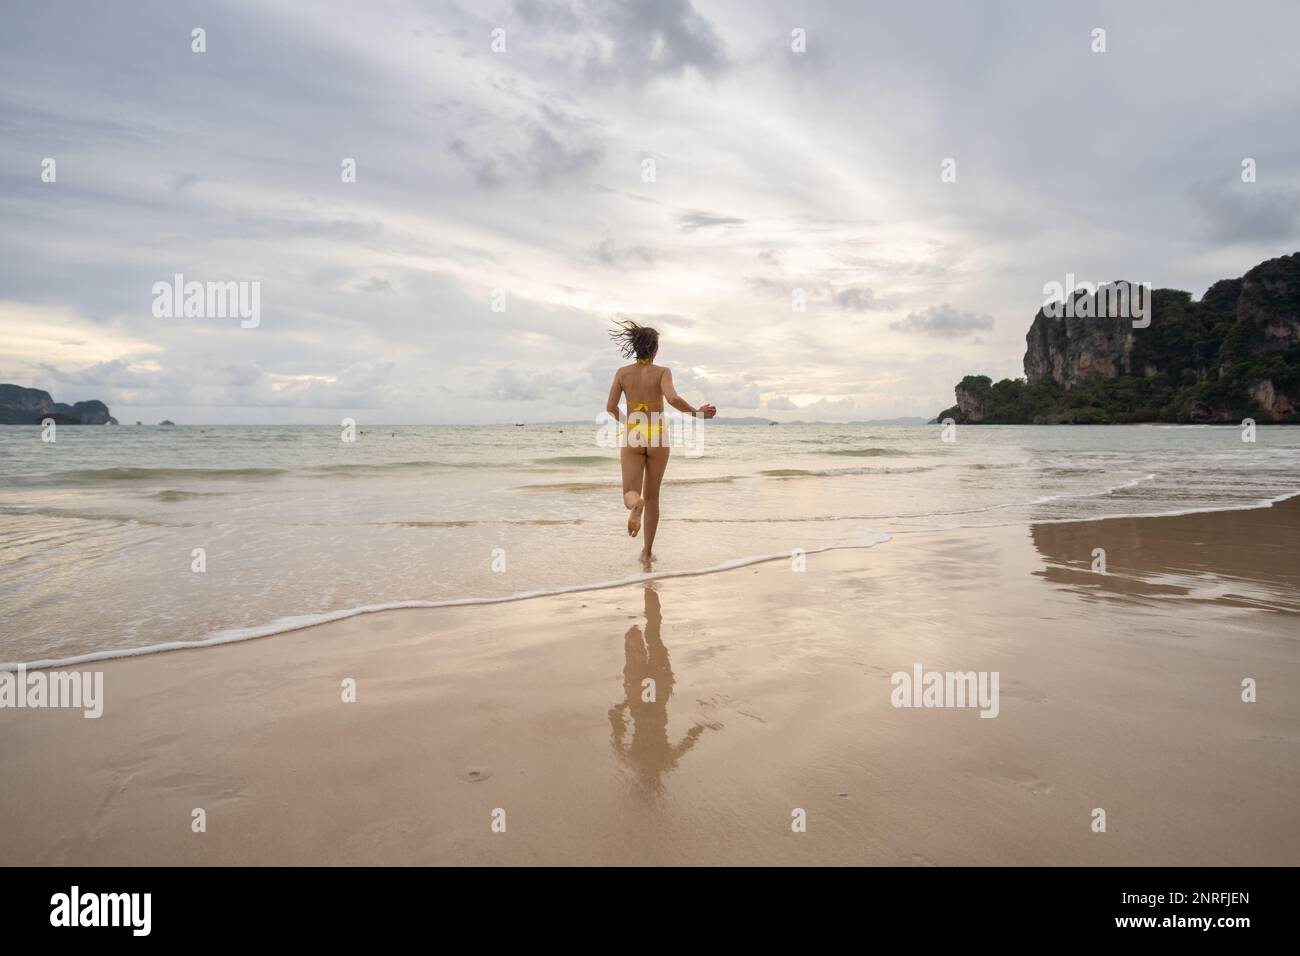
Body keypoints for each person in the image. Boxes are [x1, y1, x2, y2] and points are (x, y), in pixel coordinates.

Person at [604, 320, 716, 558]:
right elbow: (673, 399)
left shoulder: (622, 374)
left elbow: (611, 408)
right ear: (655, 349)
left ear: (635, 347)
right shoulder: (662, 372)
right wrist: (697, 413)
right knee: (653, 496)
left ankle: (635, 504)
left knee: (631, 491)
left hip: (635, 433)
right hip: (657, 435)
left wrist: (629, 425)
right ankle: (647, 552)